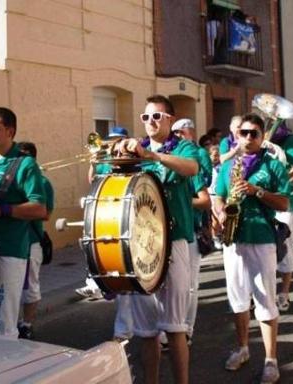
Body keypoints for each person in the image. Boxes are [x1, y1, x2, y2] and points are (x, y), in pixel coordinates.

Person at [118, 95, 198, 384]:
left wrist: (154, 156)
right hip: (140, 244)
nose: (150, 122)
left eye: (157, 117)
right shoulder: (135, 150)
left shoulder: (183, 147)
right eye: (146, 117)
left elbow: (192, 168)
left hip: (174, 241)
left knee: (175, 326)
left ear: (171, 120)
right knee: (145, 330)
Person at [215, 113, 290, 384]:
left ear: (262, 137)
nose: (248, 137)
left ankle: (271, 360)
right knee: (237, 299)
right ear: (237, 135)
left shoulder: (273, 166)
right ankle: (243, 348)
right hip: (234, 238)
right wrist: (221, 212)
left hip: (261, 236)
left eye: (253, 133)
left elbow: (284, 203)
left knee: (265, 300)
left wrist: (256, 191)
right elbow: (218, 196)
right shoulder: (228, 166)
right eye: (243, 133)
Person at [0, 107, 47, 338]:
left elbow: (40, 208)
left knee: (3, 322)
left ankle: (9, 369)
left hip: (10, 249)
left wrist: (2, 210)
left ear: (10, 132)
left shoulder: (25, 165)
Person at [75, 126, 131, 301]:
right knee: (95, 246)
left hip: (121, 208)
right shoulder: (104, 158)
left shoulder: (128, 158)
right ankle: (94, 284)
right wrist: (93, 162)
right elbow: (92, 180)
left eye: (118, 139)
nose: (114, 142)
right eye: (112, 139)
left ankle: (116, 284)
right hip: (104, 208)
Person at [171, 118, 212, 346]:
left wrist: (181, 198)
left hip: (192, 225)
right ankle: (174, 328)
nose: (175, 137)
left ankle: (187, 329)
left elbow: (203, 192)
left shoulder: (196, 155)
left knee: (189, 284)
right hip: (171, 230)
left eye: (178, 133)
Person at [16, 142, 55, 340]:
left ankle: (27, 323)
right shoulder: (10, 180)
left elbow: (45, 214)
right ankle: (12, 323)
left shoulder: (43, 182)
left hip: (31, 240)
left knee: (30, 284)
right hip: (12, 241)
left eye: (22, 157)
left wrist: (19, 210)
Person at [267, 122, 293, 312]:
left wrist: (277, 184)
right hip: (263, 204)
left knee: (284, 247)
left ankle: (284, 293)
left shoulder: (290, 141)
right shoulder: (259, 140)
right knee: (266, 250)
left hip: (284, 203)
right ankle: (267, 293)